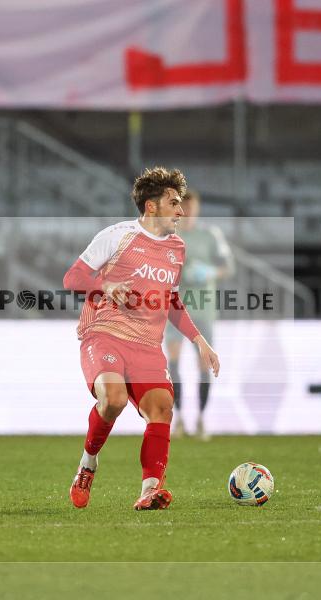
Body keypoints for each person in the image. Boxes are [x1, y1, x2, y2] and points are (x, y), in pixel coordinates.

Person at [62, 167, 220, 510]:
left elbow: (172, 300)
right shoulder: (117, 236)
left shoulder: (177, 248)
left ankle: (150, 490)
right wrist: (105, 286)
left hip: (147, 344)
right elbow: (72, 277)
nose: (180, 211)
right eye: (173, 203)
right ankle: (88, 463)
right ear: (151, 207)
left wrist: (198, 340)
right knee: (114, 399)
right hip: (104, 333)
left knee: (162, 408)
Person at [165, 189, 234, 441]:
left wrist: (210, 272)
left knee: (203, 363)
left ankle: (202, 419)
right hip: (175, 308)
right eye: (185, 208)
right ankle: (180, 418)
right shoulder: (168, 235)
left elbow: (228, 266)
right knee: (172, 361)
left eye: (193, 208)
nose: (189, 213)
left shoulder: (210, 235)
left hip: (203, 308)